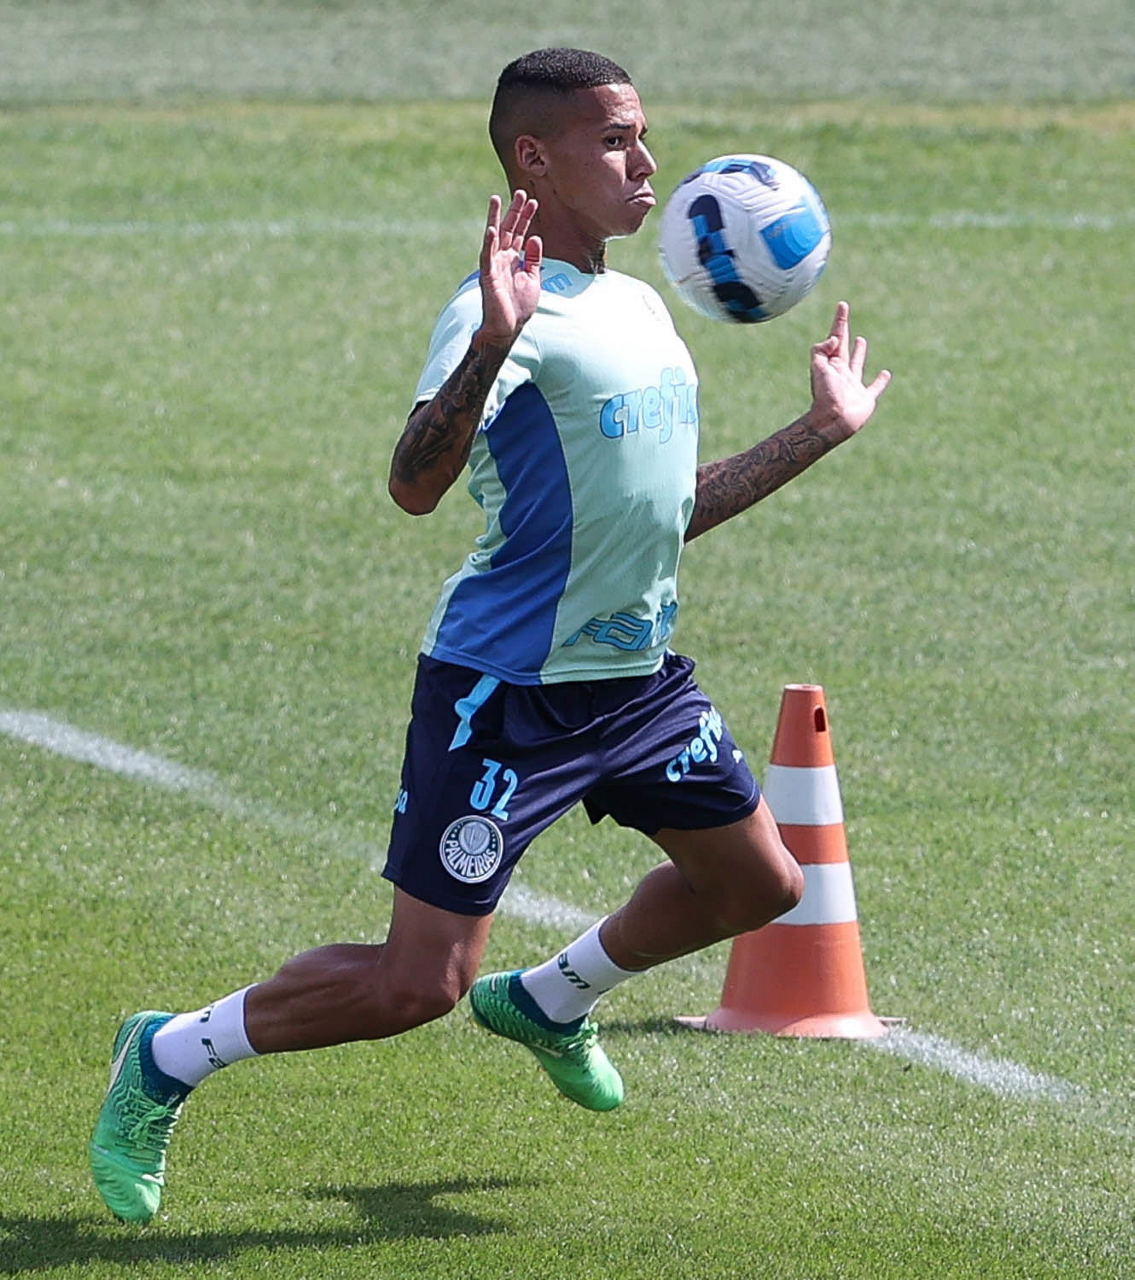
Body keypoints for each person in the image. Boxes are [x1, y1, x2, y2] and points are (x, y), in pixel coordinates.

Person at [89, 47, 890, 1224]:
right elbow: (413, 485)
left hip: (635, 681)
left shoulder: (637, 306)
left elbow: (664, 515)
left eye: (642, 135)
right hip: (505, 695)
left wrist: (817, 429)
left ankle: (552, 997)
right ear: (534, 157)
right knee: (415, 985)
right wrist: (490, 343)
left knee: (759, 879)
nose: (647, 163)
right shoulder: (493, 310)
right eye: (615, 139)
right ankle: (166, 1053)